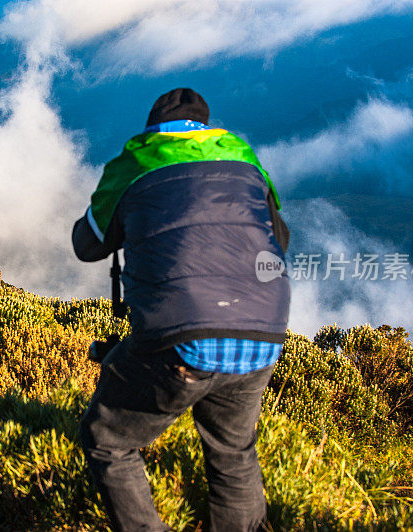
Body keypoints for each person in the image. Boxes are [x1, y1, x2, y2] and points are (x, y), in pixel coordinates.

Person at [72, 88, 290, 532]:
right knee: (233, 450)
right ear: (206, 128)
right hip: (264, 328)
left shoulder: (134, 162)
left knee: (106, 439)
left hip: (179, 330)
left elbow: (87, 245)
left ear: (153, 129)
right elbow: (279, 240)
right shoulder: (245, 159)